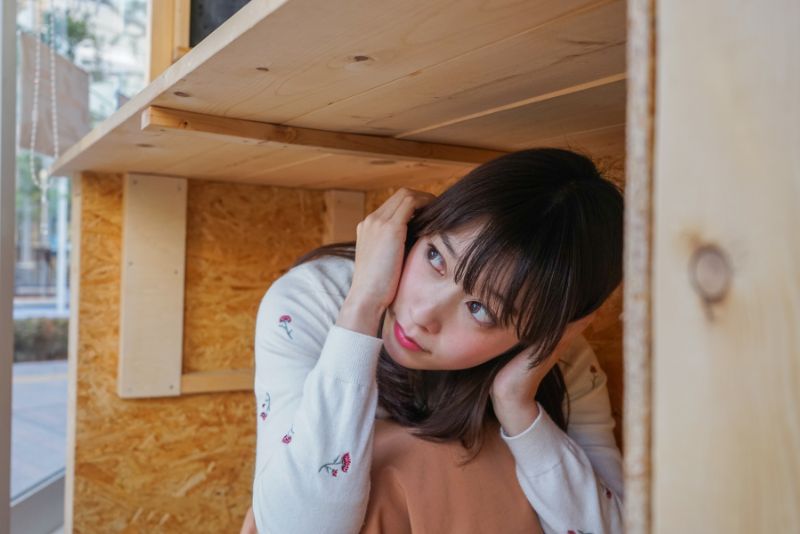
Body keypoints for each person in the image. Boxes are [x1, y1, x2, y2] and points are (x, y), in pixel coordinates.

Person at [243, 148, 624, 533]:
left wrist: (517, 406)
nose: (424, 315)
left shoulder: (559, 361)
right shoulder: (315, 300)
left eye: (481, 310)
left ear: (543, 333)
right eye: (436, 258)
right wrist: (362, 306)